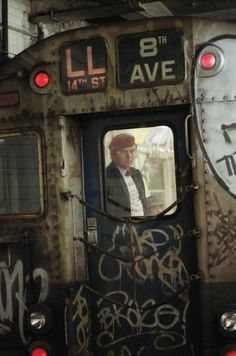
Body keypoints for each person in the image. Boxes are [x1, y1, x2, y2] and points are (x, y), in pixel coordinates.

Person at [106, 133, 147, 217]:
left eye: (132, 151)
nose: (129, 156)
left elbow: (142, 201)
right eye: (123, 151)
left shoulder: (136, 173)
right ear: (113, 154)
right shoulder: (106, 176)